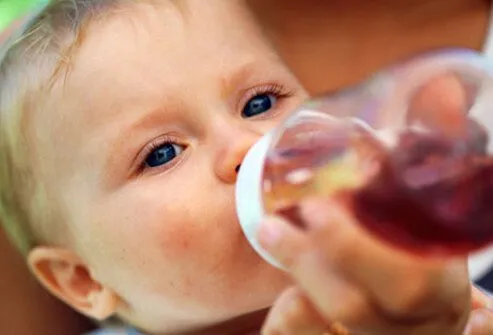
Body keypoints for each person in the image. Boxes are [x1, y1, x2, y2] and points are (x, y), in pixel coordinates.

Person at [0, 0, 492, 334]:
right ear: (83, 280)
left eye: (259, 102)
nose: (244, 147)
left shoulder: (427, 287)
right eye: (162, 153)